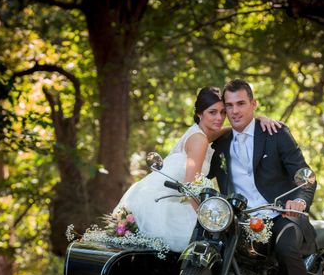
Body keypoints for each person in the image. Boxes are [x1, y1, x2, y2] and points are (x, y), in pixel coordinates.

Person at [208, 79, 317, 275]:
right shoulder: (220, 142)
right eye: (229, 105)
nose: (234, 111)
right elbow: (194, 168)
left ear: (253, 105)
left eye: (241, 104)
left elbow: (305, 176)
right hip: (239, 218)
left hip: (280, 212)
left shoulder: (276, 133)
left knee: (285, 246)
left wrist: (299, 202)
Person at [112, 86, 281, 252]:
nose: (219, 118)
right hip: (172, 203)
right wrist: (207, 219)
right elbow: (190, 186)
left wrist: (258, 120)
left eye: (223, 112)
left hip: (160, 197)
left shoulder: (199, 133)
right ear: (200, 113)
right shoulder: (199, 140)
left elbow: (228, 129)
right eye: (212, 112)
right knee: (216, 244)